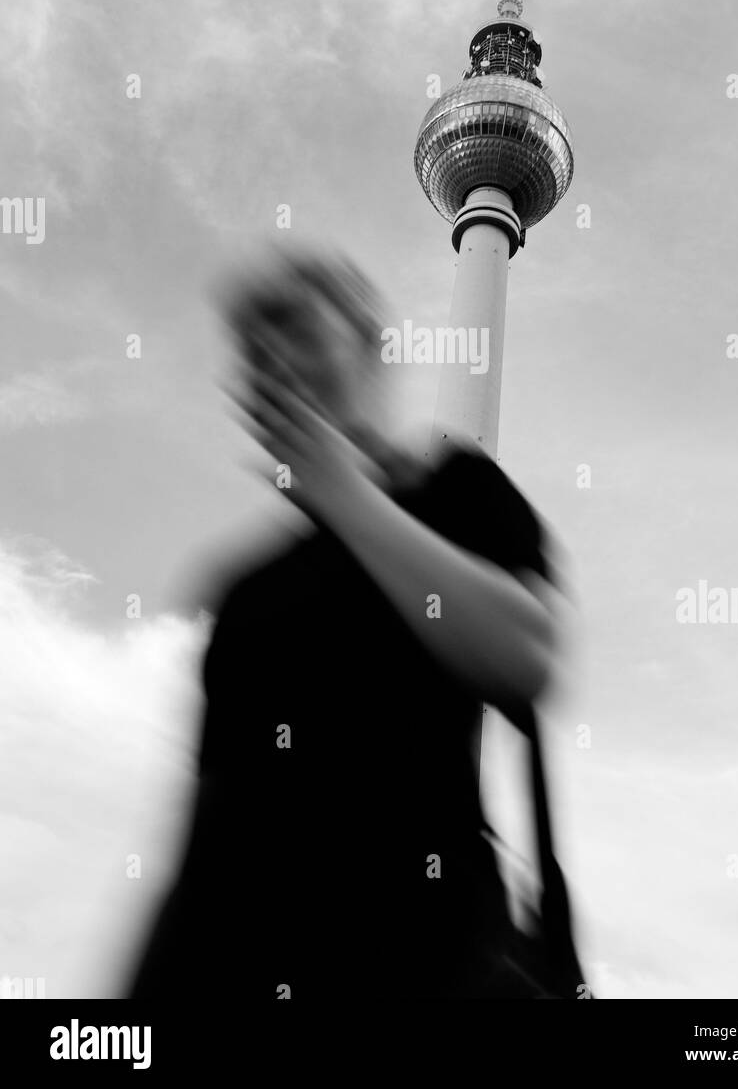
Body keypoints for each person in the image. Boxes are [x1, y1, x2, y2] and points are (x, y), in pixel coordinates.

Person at [126, 245, 569, 1000]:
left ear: (371, 348)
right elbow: (207, 839)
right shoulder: (245, 594)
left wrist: (346, 495)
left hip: (428, 967)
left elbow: (523, 656)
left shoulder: (460, 492)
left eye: (297, 330)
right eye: (256, 352)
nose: (275, 360)